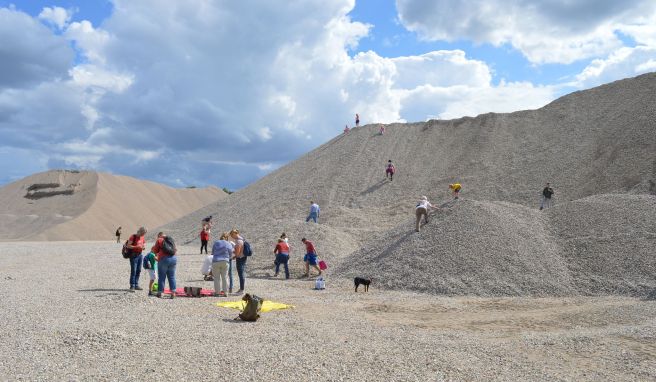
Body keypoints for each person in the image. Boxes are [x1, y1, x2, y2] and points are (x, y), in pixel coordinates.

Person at [152, 232, 177, 299]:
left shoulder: (159, 240)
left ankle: (160, 293)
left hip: (164, 259)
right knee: (172, 276)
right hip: (174, 258)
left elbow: (155, 251)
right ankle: (173, 293)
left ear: (159, 236)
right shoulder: (171, 239)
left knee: (162, 276)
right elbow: (175, 249)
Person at [211, 232, 234, 297]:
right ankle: (225, 292)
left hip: (216, 261)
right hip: (225, 261)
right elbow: (231, 254)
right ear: (227, 238)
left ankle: (217, 292)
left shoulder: (216, 242)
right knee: (225, 277)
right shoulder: (228, 243)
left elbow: (212, 252)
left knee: (216, 278)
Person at [126, 227, 146, 291]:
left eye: (144, 233)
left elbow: (143, 245)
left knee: (139, 270)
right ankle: (132, 286)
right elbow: (128, 245)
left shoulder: (142, 237)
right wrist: (136, 247)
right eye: (143, 233)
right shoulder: (133, 237)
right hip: (133, 255)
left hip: (140, 255)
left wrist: (143, 247)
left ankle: (136, 285)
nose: (143, 235)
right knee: (133, 270)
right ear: (140, 231)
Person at [229, 229, 246, 294]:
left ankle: (242, 289)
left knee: (241, 274)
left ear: (235, 233)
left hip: (240, 258)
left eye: (232, 235)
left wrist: (233, 254)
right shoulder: (241, 239)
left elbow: (237, 253)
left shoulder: (238, 241)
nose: (232, 236)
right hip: (243, 257)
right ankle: (241, 289)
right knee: (241, 273)